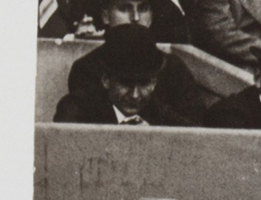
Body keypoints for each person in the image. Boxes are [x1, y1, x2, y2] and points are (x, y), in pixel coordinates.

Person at [51, 24, 197, 126]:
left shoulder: (163, 115)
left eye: (144, 83)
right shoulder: (76, 110)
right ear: (106, 80)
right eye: (126, 83)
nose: (135, 95)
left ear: (154, 82)